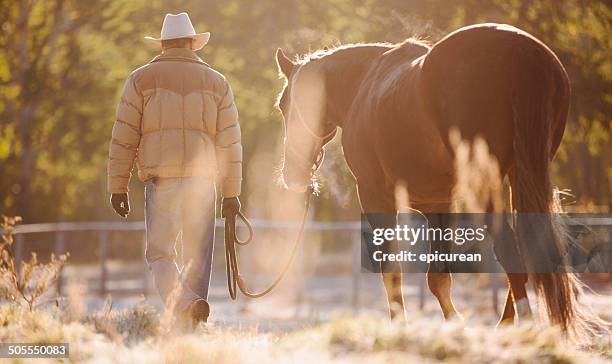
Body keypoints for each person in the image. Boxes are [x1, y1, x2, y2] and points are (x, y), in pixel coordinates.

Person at [106, 12, 242, 325]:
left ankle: (185, 306)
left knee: (159, 253)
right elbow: (230, 146)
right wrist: (232, 194)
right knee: (198, 253)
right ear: (193, 43)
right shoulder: (218, 82)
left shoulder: (140, 79)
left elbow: (124, 138)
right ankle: (193, 316)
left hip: (161, 181)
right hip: (202, 184)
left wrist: (118, 186)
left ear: (164, 44)